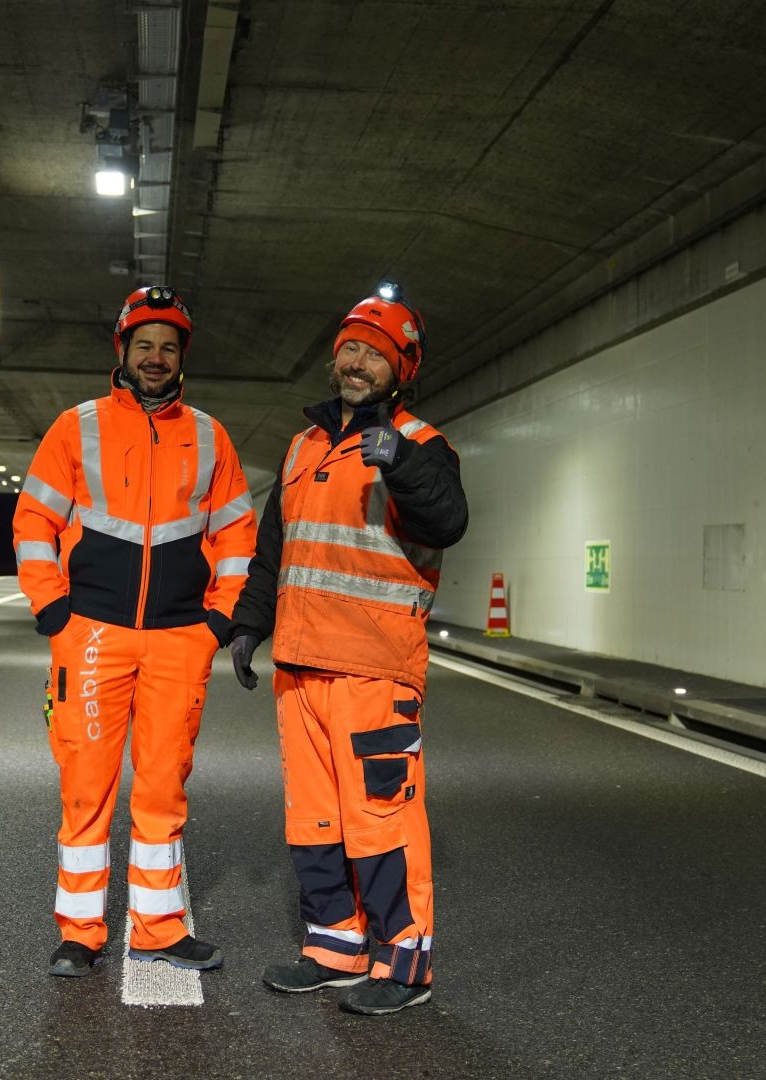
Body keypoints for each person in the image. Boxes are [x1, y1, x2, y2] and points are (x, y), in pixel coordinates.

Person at [227, 287, 468, 1016]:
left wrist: (397, 459)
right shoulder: (303, 447)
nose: (359, 361)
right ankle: (334, 946)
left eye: (377, 352)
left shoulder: (423, 445)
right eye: (352, 347)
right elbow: (276, 551)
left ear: (400, 369)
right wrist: (249, 623)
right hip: (301, 667)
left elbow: (448, 520)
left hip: (373, 667)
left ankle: (403, 966)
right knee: (315, 818)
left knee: (381, 819)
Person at [14, 285, 256, 978]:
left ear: (182, 358)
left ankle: (156, 928)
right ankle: (81, 932)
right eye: (145, 345)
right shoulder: (77, 426)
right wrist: (53, 610)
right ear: (122, 351)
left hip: (180, 638)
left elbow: (237, 533)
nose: (156, 358)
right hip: (90, 632)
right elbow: (33, 520)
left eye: (169, 347)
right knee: (86, 786)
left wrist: (218, 619)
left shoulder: (210, 436)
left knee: (161, 787)